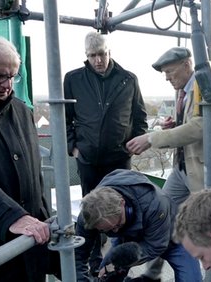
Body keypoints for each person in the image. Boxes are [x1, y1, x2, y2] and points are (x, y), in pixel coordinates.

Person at [126, 46, 211, 281]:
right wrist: (173, 126)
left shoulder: (206, 86)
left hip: (205, 170)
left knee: (210, 228)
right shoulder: (186, 90)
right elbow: (191, 124)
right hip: (183, 169)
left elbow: (199, 127)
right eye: (164, 73)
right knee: (161, 215)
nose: (167, 78)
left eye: (170, 72)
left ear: (187, 65)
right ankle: (153, 273)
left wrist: (152, 138)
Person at [64, 31, 148, 274]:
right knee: (90, 212)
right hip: (88, 159)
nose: (98, 60)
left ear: (109, 52)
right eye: (92, 56)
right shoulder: (73, 79)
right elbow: (66, 119)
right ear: (86, 56)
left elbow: (139, 116)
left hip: (119, 159)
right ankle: (91, 263)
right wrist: (74, 147)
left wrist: (133, 142)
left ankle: (118, 265)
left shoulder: (128, 79)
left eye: (101, 54)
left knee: (122, 210)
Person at [0, 37, 56, 281]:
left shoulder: (22, 112)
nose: (7, 84)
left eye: (13, 76)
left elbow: (35, 176)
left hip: (29, 247)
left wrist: (44, 220)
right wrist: (10, 216)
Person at [75, 169, 202, 282]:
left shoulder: (155, 204)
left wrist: (119, 262)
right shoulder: (89, 214)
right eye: (108, 230)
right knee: (106, 275)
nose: (115, 230)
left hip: (172, 236)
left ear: (122, 203)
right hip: (128, 237)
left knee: (191, 279)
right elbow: (79, 255)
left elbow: (155, 246)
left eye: (117, 225)